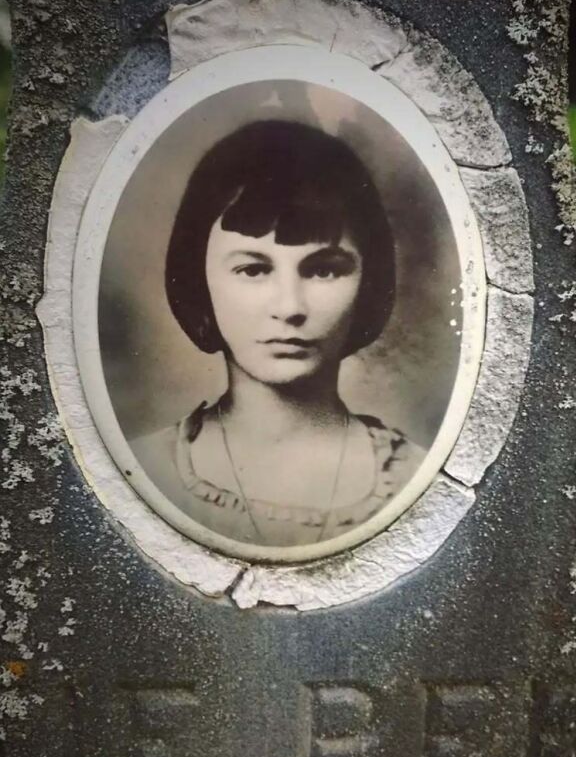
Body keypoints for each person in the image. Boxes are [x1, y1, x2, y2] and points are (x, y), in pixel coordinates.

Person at [130, 120, 425, 548]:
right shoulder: (143, 470)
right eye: (253, 269)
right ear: (198, 279)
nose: (290, 308)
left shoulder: (416, 480)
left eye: (324, 269)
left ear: (369, 280)